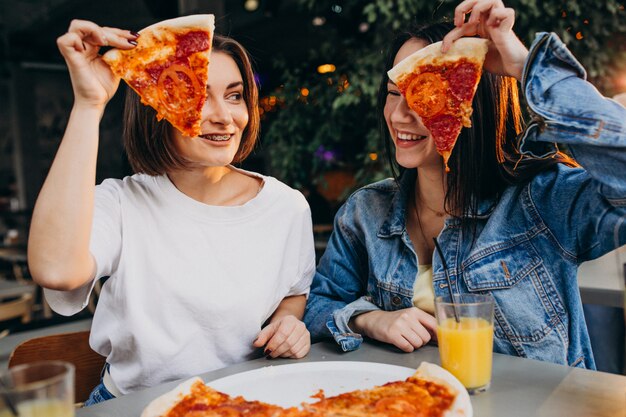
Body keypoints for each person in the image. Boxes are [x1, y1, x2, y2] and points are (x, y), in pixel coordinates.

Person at [304, 0, 626, 370]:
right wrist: (370, 319)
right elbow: (316, 305)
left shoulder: (541, 201)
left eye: (424, 96)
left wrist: (523, 66)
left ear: (469, 105)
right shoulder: (366, 211)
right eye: (395, 92)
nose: (399, 114)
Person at [28, 19, 315, 404]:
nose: (223, 116)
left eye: (234, 95)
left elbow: (294, 291)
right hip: (131, 405)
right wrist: (89, 104)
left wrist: (289, 322)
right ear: (155, 106)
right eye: (197, 96)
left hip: (240, 403)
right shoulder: (122, 202)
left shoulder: (286, 206)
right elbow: (56, 270)